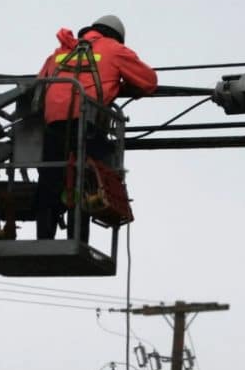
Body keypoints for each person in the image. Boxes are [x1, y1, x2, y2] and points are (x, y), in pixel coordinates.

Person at [34, 15, 158, 240]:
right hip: (88, 124)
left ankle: (44, 238)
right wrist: (118, 86)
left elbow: (39, 83)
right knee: (90, 176)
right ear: (116, 36)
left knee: (50, 178)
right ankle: (76, 239)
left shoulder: (60, 52)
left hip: (53, 124)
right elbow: (149, 81)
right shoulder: (114, 50)